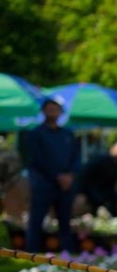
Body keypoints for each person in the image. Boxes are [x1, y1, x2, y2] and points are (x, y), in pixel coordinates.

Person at [25, 98, 80, 252]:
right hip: (44, 183)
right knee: (36, 220)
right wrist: (57, 176)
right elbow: (38, 159)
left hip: (65, 186)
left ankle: (67, 254)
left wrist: (70, 175)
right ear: (43, 112)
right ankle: (31, 253)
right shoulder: (36, 134)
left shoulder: (68, 134)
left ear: (61, 112)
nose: (52, 113)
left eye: (55, 109)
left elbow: (76, 157)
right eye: (49, 109)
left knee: (65, 221)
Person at [78, 140, 117, 217]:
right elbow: (84, 174)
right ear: (113, 149)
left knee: (116, 200)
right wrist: (80, 192)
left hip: (106, 190)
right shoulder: (100, 160)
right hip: (92, 188)